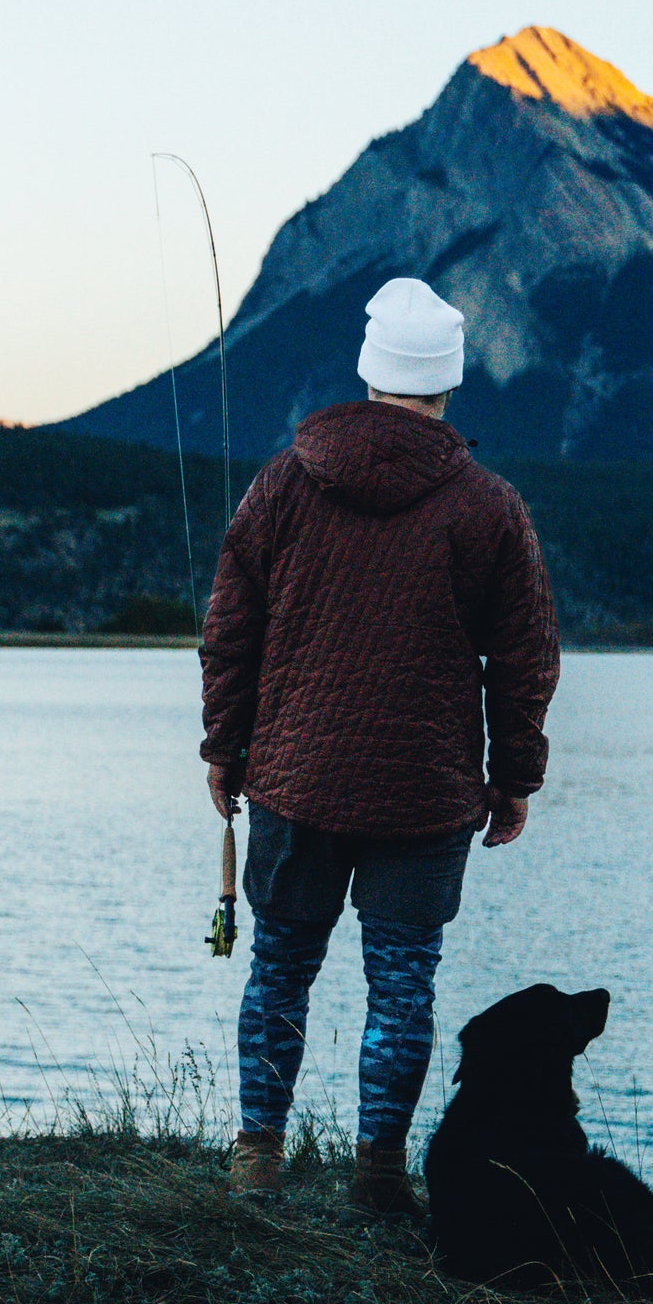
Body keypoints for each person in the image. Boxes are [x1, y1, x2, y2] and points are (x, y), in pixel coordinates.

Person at [200, 275, 560, 1209]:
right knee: (401, 990)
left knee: (279, 973)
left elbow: (230, 631)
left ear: (367, 374)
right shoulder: (488, 506)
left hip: (294, 780)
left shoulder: (281, 483)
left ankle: (257, 1159)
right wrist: (514, 777)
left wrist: (222, 749)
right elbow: (526, 659)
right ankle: (378, 1176)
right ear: (448, 382)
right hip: (426, 794)